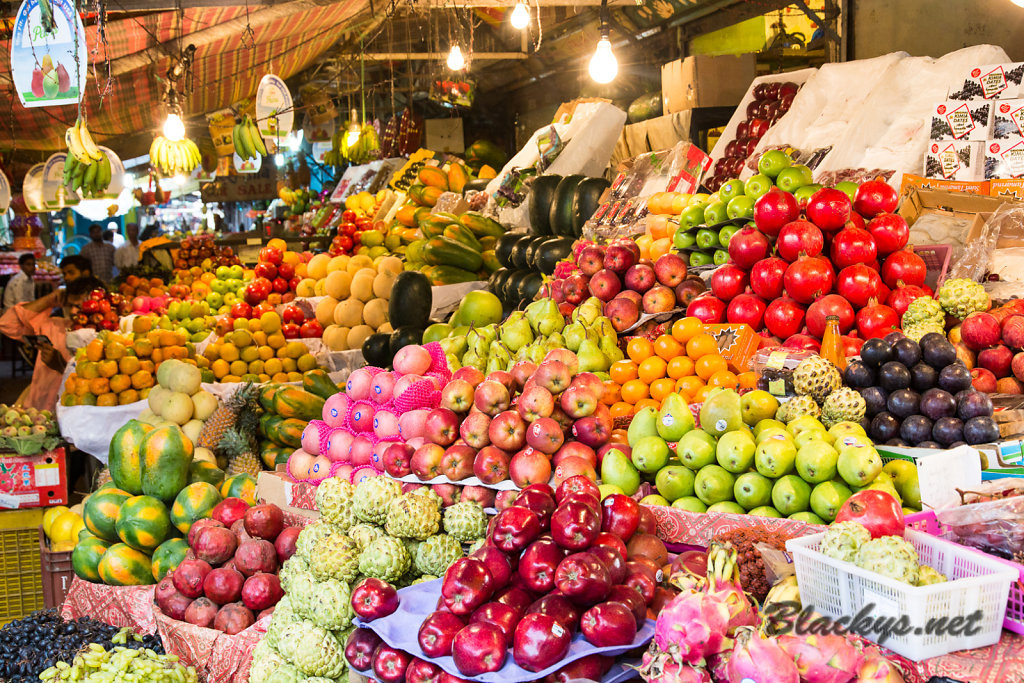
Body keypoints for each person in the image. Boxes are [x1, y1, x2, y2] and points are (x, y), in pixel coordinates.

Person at [0, 275, 104, 412]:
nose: (73, 312)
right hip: (38, 409)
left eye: (79, 306)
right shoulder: (55, 326)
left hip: (73, 414)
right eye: (70, 305)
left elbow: (96, 386)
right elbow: (7, 324)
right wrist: (49, 300)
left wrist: (61, 366)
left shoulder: (104, 338)